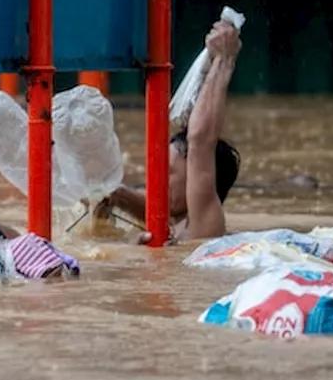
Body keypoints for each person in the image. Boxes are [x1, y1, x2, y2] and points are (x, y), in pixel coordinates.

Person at [95, 20, 242, 242]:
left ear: (198, 181)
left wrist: (224, 60)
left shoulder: (203, 225)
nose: (157, 181)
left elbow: (200, 141)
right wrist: (119, 196)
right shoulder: (176, 223)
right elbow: (156, 211)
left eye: (170, 173)